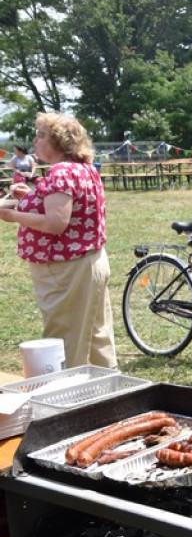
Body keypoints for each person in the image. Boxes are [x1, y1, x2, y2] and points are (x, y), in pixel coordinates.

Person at [0, 113, 117, 368]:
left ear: (60, 143)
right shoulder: (82, 169)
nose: (35, 140)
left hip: (67, 270)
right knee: (98, 337)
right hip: (90, 262)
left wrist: (11, 214)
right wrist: (31, 197)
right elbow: (64, 209)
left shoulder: (61, 172)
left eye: (42, 135)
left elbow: (56, 223)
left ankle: (70, 401)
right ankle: (112, 398)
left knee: (65, 341)